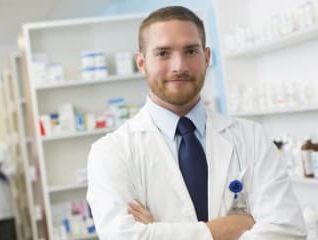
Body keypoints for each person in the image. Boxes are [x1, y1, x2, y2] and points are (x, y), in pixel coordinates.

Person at [87, 6, 306, 240]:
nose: (179, 66)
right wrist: (229, 227)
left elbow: (287, 230)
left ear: (207, 57)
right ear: (141, 63)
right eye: (163, 53)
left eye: (190, 51)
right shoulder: (111, 152)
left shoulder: (251, 137)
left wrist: (156, 231)